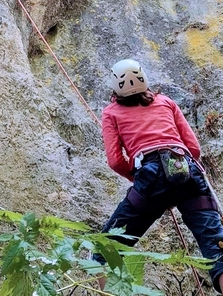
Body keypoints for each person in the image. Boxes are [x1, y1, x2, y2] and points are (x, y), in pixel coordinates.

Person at [94, 58, 223, 293]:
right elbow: (193, 148)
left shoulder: (111, 113)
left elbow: (115, 160)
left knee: (104, 251)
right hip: (187, 169)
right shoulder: (165, 102)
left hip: (149, 178)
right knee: (217, 249)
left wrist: (142, 181)